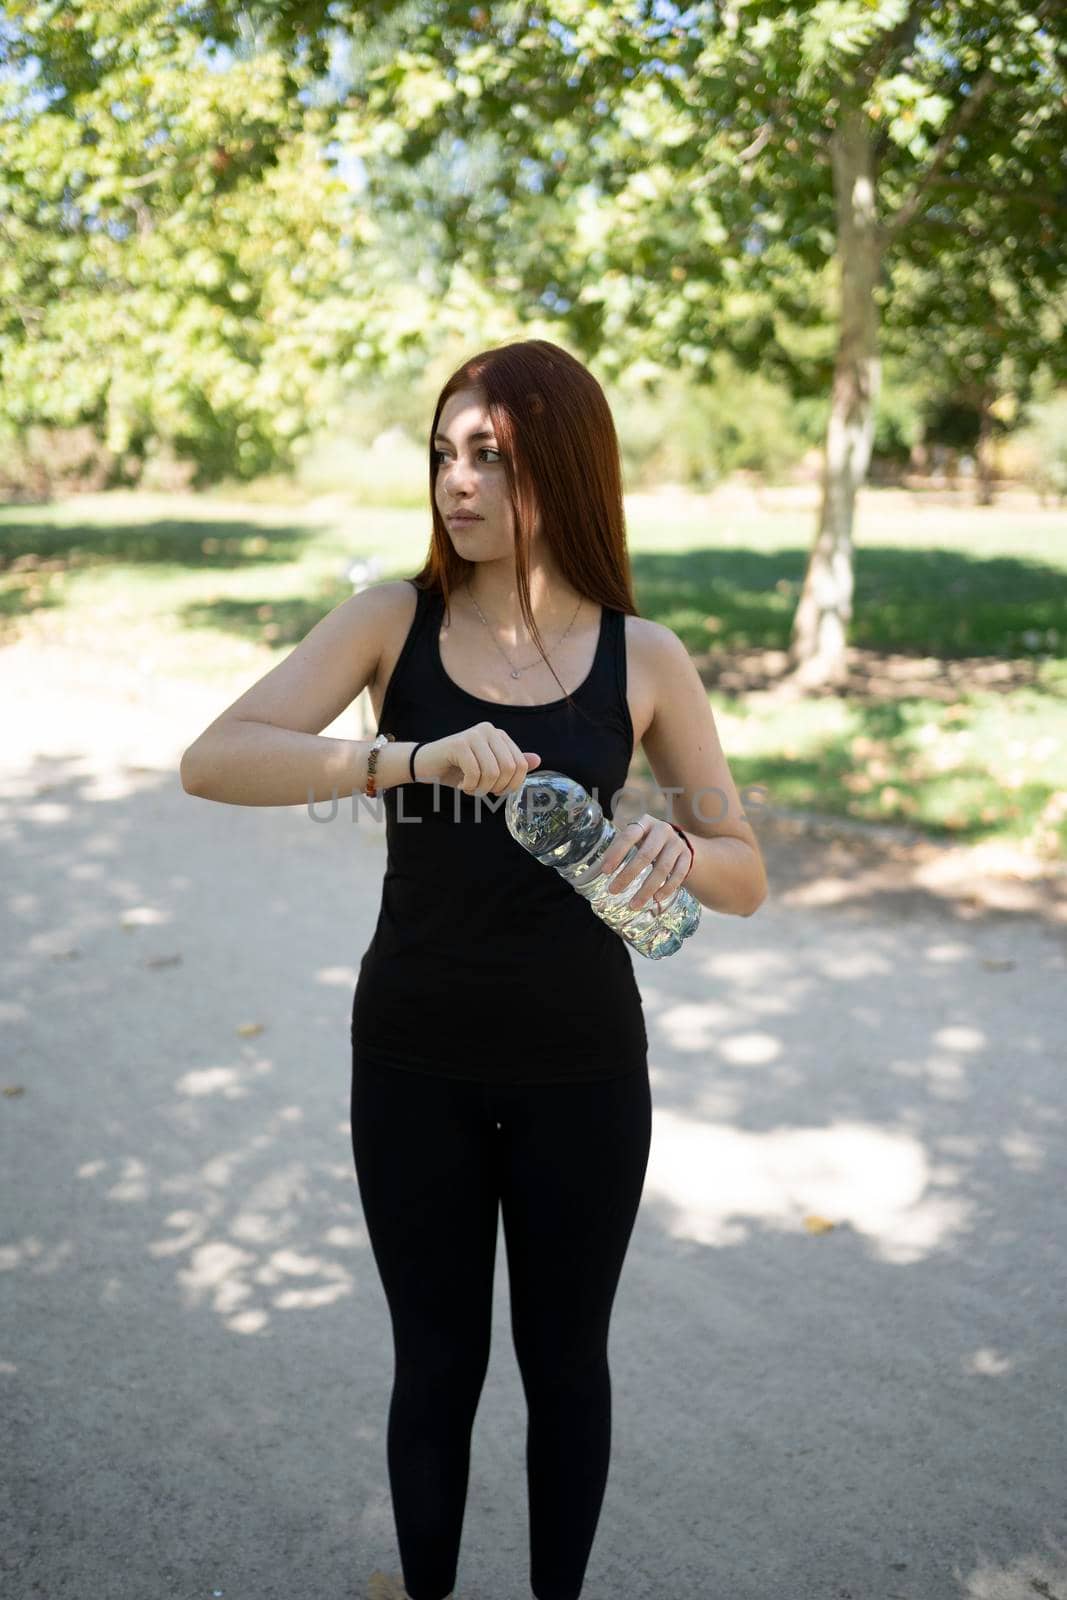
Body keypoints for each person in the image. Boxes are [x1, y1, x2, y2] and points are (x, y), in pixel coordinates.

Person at [180, 339, 767, 1600]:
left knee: (566, 1366)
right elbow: (215, 758)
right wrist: (401, 760)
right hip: (412, 1060)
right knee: (434, 1365)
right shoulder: (392, 621)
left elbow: (742, 868)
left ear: (561, 466)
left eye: (488, 456)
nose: (456, 481)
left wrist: (675, 839)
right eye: (443, 453)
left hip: (583, 1068)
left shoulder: (643, 655)